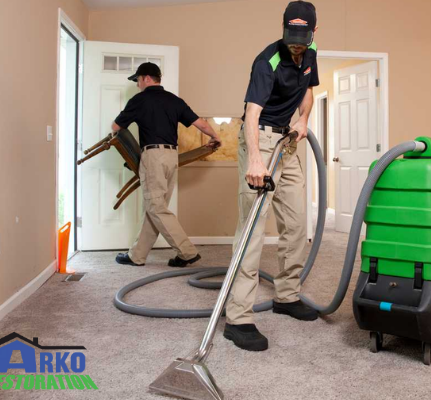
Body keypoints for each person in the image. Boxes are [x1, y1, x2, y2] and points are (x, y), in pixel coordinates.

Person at [223, 0, 320, 352]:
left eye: (302, 39)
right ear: (283, 29)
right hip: (260, 139)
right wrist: (255, 160)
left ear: (313, 33)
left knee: (296, 224)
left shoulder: (310, 55)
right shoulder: (268, 61)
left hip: (287, 141)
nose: (296, 45)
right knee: (252, 229)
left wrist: (303, 119)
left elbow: (308, 92)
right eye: (291, 37)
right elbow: (251, 113)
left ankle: (287, 295)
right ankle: (238, 318)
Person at [113, 62, 221, 268]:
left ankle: (187, 252)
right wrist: (215, 137)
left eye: (138, 80)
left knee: (156, 207)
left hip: (153, 156)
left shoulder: (139, 100)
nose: (137, 85)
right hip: (172, 157)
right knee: (155, 207)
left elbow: (116, 127)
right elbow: (200, 123)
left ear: (146, 78)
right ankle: (137, 255)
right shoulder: (174, 100)